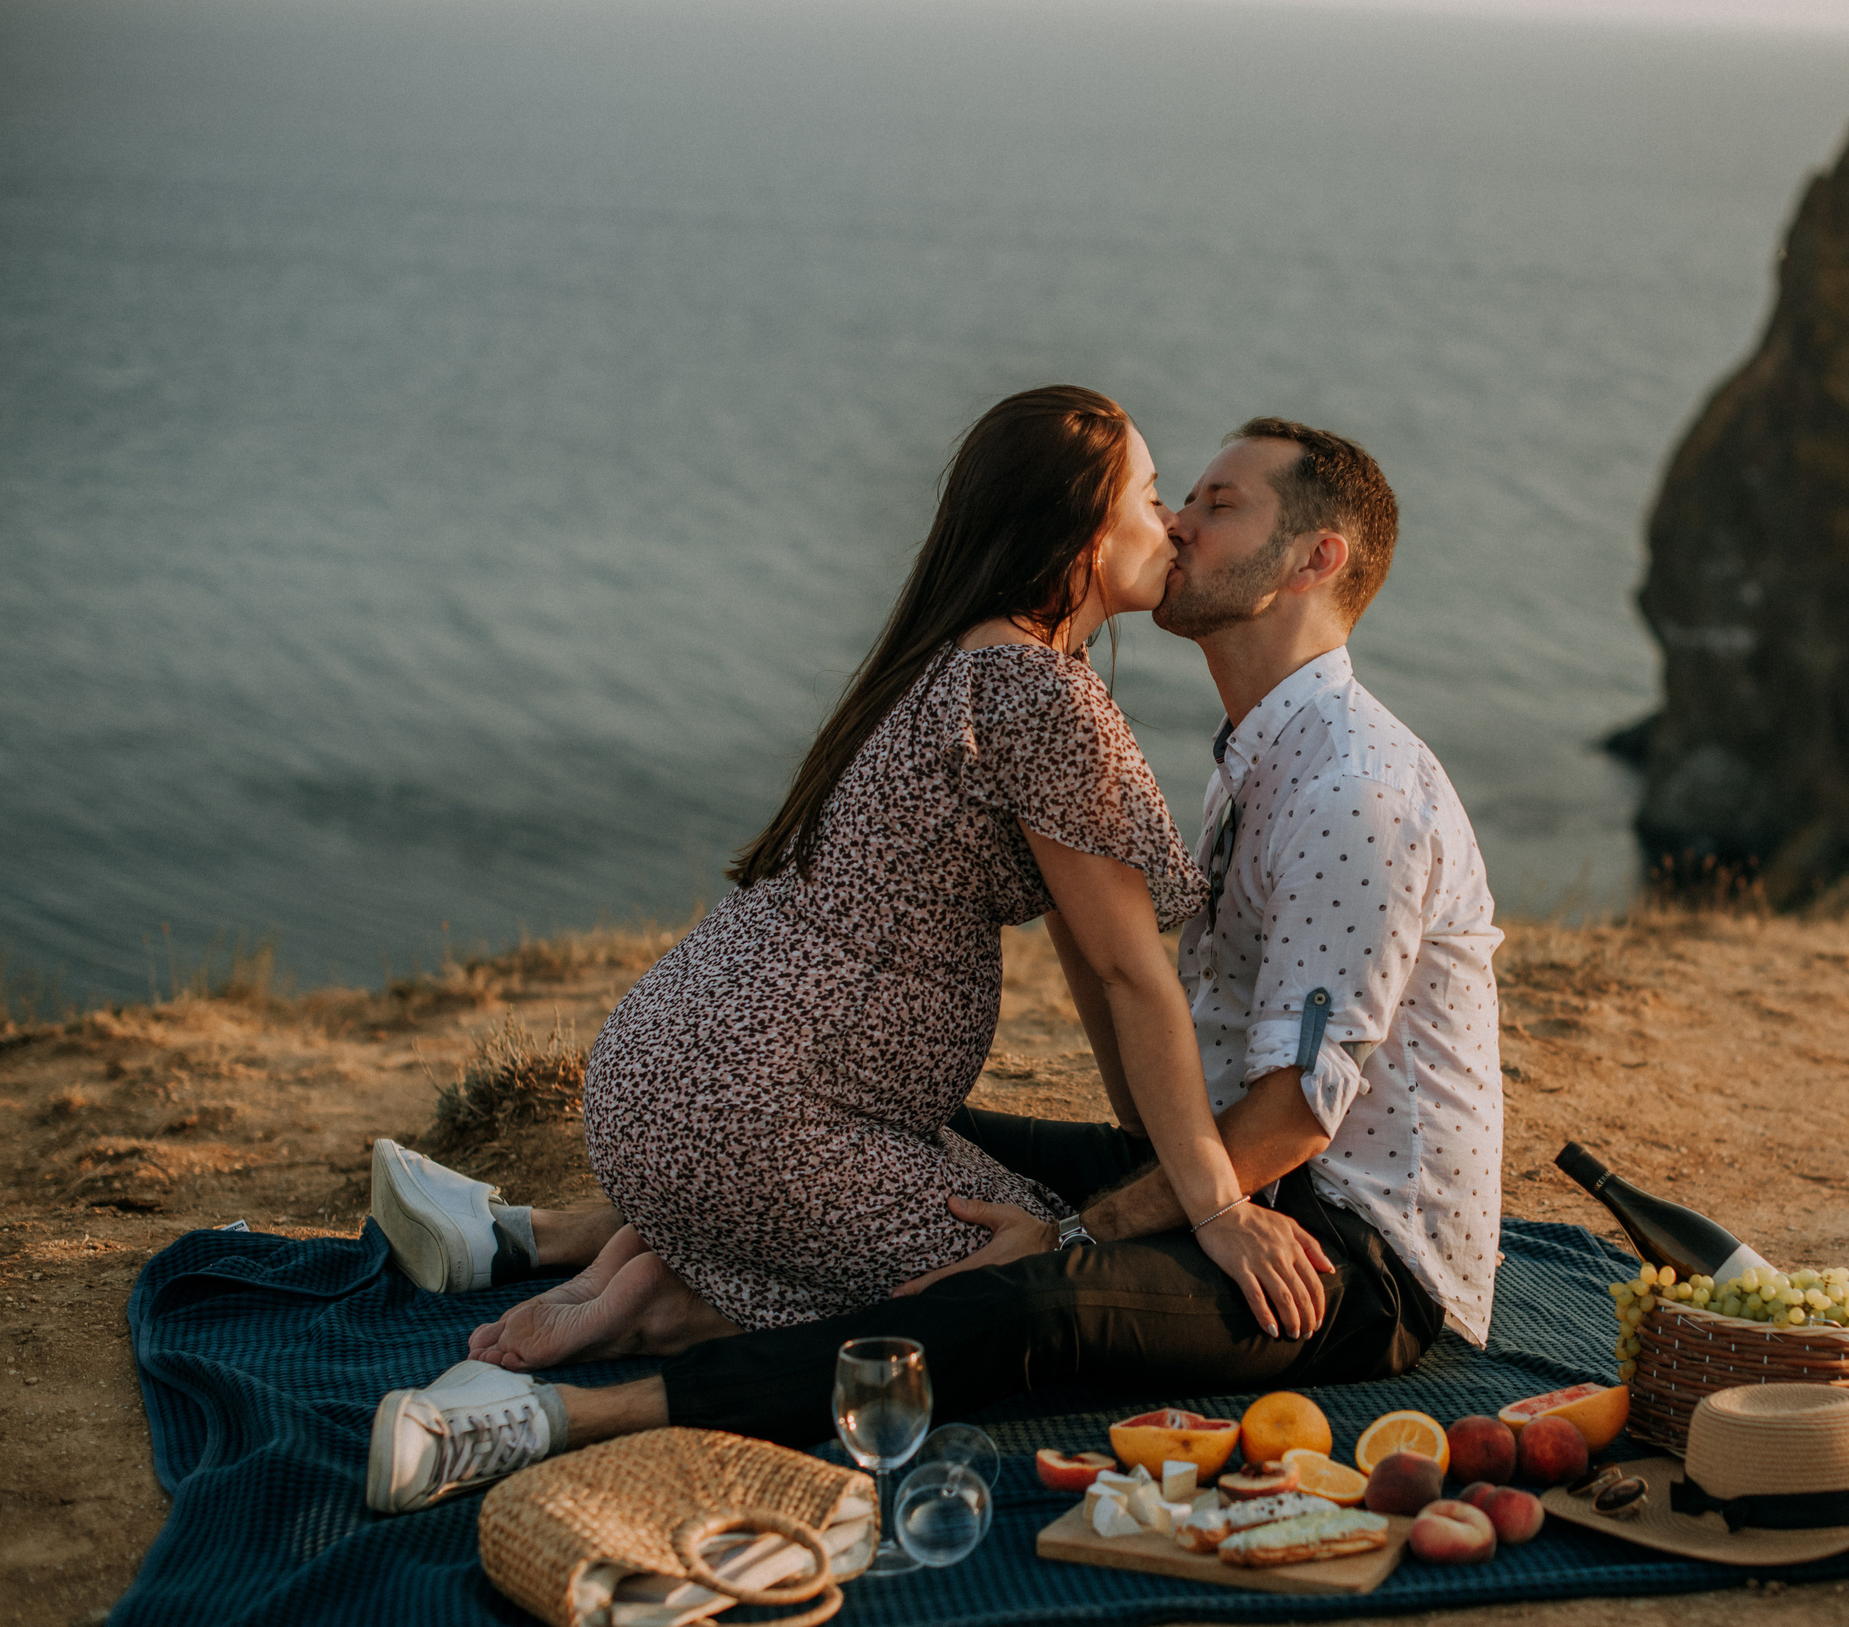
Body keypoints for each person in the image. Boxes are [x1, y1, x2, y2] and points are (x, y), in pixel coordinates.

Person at [364, 416, 1503, 1516]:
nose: (1180, 521)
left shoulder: (1353, 790)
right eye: (1167, 496)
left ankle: (574, 1412)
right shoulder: (1241, 756)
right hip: (1245, 1166)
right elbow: (1116, 976)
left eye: (1214, 501)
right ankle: (608, 1269)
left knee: (1019, 1299)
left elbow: (1299, 1105)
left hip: (1353, 1242)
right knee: (906, 1135)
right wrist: (1145, 1180)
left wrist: (1080, 1233)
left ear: (1315, 558)